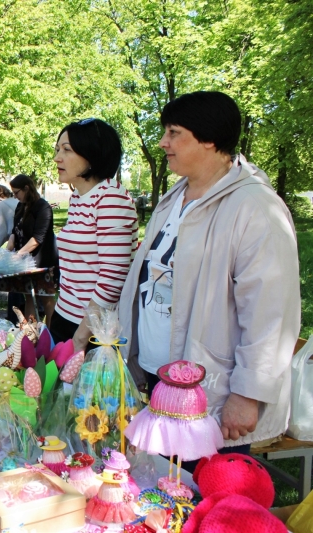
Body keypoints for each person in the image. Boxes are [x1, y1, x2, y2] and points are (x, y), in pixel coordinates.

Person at [118, 91, 300, 471]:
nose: (163, 143)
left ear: (210, 139)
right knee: (158, 498)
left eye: (174, 132)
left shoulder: (255, 208)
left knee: (207, 502)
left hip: (210, 394)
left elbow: (271, 313)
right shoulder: (173, 199)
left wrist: (248, 395)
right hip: (156, 377)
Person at [51, 118, 138, 350]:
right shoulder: (78, 198)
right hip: (65, 315)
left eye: (67, 150)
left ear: (92, 155)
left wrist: (81, 337)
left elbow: (112, 279)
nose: (57, 158)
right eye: (58, 149)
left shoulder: (111, 199)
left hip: (91, 331)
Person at [6, 174, 60, 321]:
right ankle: (31, 336)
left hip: (43, 262)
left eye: (17, 193)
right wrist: (9, 247)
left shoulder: (43, 207)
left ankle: (52, 337)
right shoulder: (20, 206)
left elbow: (38, 238)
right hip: (26, 263)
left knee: (46, 299)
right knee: (29, 296)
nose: (15, 196)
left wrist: (19, 254)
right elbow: (15, 230)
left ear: (27, 188)